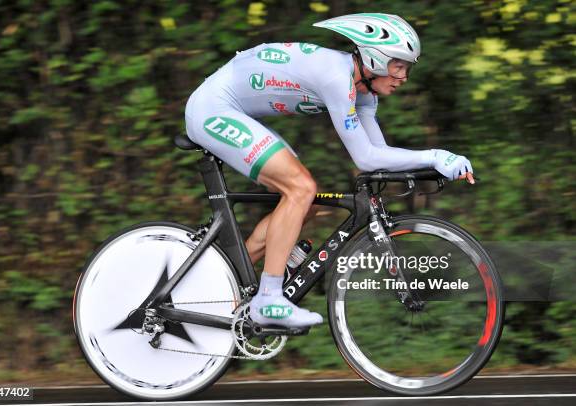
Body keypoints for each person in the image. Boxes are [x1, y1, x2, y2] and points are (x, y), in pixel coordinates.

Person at [184, 13, 474, 329]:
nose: (404, 76)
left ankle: (218, 282)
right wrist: (434, 156)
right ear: (375, 59)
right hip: (212, 109)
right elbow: (365, 159)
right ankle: (268, 298)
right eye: (399, 65)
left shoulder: (365, 94)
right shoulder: (338, 78)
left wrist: (433, 166)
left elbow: (378, 158)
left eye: (408, 68)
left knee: (309, 200)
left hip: (231, 110)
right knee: (301, 189)